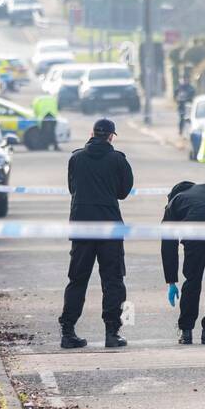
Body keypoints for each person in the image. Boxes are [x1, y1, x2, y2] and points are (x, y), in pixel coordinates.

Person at [60, 119, 134, 350]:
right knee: (113, 280)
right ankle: (112, 333)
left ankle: (68, 331)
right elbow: (123, 192)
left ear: (91, 133)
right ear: (111, 136)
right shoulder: (118, 160)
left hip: (81, 226)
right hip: (109, 227)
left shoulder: (76, 158)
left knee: (77, 279)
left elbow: (72, 188)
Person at [161, 181, 205, 345]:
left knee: (192, 282)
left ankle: (186, 332)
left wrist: (171, 281)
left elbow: (168, 244)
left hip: (195, 236)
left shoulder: (174, 202)